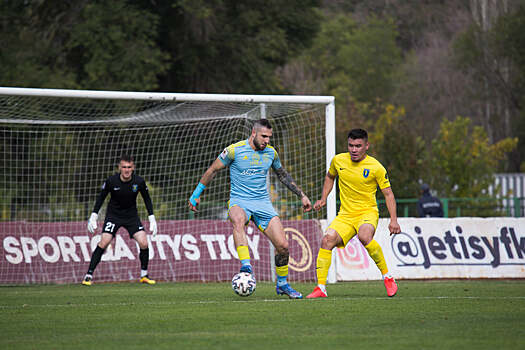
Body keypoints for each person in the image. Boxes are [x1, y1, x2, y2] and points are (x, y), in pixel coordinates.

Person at [188, 119, 312, 299]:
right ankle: (246, 267)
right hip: (239, 201)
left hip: (263, 204)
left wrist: (301, 195)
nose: (267, 140)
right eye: (264, 136)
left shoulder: (271, 153)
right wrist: (196, 194)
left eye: (269, 137)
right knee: (238, 221)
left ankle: (282, 284)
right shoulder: (234, 150)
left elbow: (282, 175)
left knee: (283, 246)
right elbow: (213, 170)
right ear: (253, 133)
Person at [306, 128, 401, 299]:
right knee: (327, 240)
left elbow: (388, 194)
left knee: (364, 236)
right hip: (345, 215)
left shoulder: (376, 167)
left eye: (358, 146)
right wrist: (323, 198)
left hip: (367, 212)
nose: (354, 150)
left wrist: (393, 220)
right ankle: (320, 288)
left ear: (366, 146)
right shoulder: (338, 160)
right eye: (351, 145)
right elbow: (330, 176)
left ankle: (387, 277)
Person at [82, 154, 158, 286]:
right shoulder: (112, 181)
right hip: (113, 216)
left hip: (131, 217)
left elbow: (147, 199)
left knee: (144, 243)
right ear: (119, 168)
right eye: (124, 167)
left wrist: (152, 218)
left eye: (129, 167)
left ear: (133, 167)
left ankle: (144, 275)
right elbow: (101, 198)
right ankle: (88, 276)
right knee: (104, 242)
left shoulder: (139, 182)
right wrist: (93, 215)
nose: (127, 170)